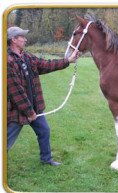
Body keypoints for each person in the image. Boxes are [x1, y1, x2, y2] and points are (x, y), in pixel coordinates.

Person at [7, 26, 79, 166]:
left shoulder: (26, 56)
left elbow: (45, 64)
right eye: (22, 37)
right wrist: (29, 112)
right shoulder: (7, 61)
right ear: (13, 40)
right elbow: (16, 92)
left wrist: (68, 60)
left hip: (35, 107)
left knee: (44, 131)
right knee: (6, 140)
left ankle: (46, 160)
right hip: (18, 111)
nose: (25, 39)